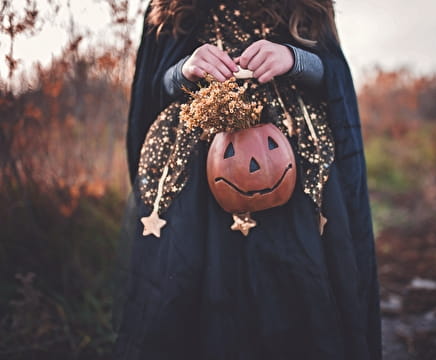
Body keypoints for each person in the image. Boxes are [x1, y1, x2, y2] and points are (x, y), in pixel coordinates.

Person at [113, 0, 382, 359]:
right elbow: (153, 86)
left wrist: (294, 59)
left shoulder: (305, 6)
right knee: (195, 290)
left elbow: (334, 75)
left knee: (295, 286)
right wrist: (185, 69)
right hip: (196, 181)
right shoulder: (172, 9)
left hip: (295, 174)